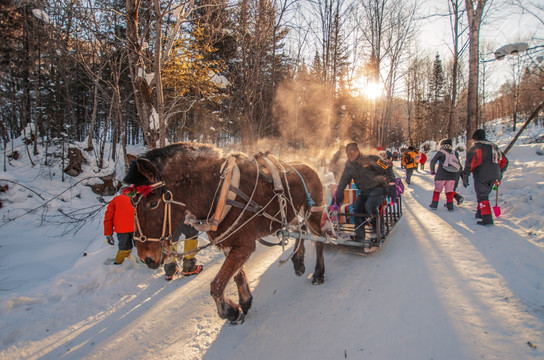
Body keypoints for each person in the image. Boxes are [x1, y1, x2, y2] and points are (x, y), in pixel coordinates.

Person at [332, 142, 397, 242]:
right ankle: (360, 234)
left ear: (357, 152)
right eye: (348, 154)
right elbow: (343, 181)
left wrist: (391, 183)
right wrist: (338, 195)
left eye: (352, 153)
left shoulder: (371, 159)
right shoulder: (349, 165)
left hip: (379, 188)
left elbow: (387, 167)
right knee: (356, 209)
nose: (350, 155)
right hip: (364, 191)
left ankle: (379, 231)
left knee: (369, 207)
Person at [461, 129, 509, 226]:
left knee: (482, 196)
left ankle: (487, 218)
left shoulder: (476, 148)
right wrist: (499, 172)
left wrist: (465, 176)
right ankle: (480, 213)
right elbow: (505, 161)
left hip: (481, 174)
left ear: (475, 138)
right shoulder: (494, 147)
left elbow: (470, 164)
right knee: (484, 195)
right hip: (495, 175)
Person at [429, 139, 462, 211]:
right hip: (452, 176)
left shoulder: (440, 152)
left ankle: (434, 205)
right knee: (449, 191)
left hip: (441, 175)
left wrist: (432, 170)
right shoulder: (455, 153)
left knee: (437, 190)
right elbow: (458, 165)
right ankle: (450, 207)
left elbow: (433, 161)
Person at [104, 191, 135, 265]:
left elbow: (108, 218)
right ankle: (147, 264)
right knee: (143, 248)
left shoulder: (116, 200)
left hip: (122, 230)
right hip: (137, 228)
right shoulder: (138, 198)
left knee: (124, 249)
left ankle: (118, 264)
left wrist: (108, 234)